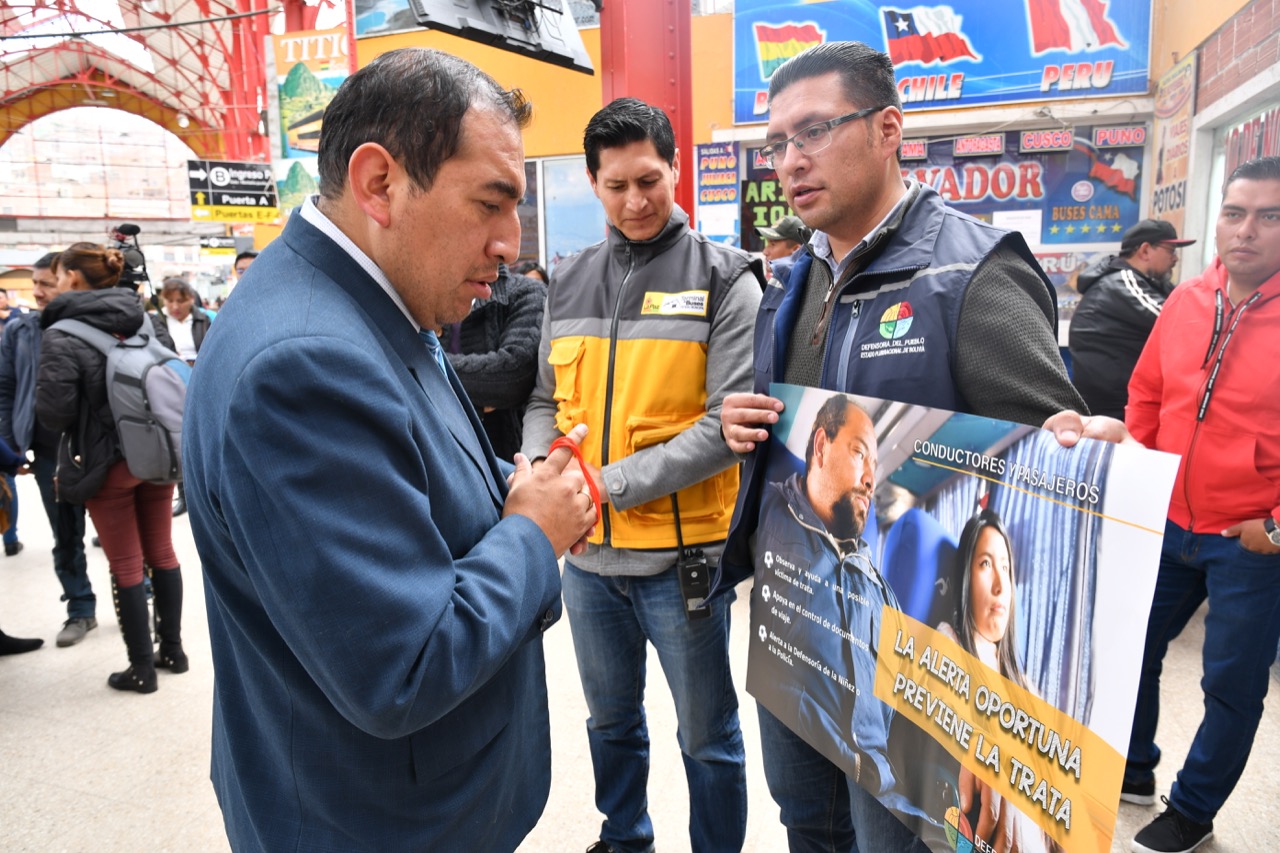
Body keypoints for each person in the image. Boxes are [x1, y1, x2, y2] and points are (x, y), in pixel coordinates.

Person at [183, 48, 596, 852]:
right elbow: (401, 665)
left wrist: (513, 507)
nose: (512, 243)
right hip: (378, 822)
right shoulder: (304, 363)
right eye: (491, 202)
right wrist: (533, 534)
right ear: (379, 183)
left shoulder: (374, 307)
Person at [714, 41, 1100, 852]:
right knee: (807, 825)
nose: (790, 160)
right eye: (777, 142)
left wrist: (1082, 449)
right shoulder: (795, 277)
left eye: (813, 131)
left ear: (890, 128)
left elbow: (1044, 464)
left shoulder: (971, 275)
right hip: (794, 614)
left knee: (887, 837)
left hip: (906, 653)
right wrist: (746, 422)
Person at [522, 97, 762, 853]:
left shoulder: (728, 279)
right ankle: (625, 836)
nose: (636, 200)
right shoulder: (568, 280)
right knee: (611, 721)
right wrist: (540, 464)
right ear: (593, 182)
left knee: (707, 735)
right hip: (588, 563)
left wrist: (603, 485)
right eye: (616, 183)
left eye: (650, 179)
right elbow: (541, 398)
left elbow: (728, 428)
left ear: (675, 167)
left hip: (682, 564)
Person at [1122, 156, 1280, 853]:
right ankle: (1130, 768)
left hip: (1250, 540)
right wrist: (1142, 474)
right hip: (1168, 521)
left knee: (1230, 685)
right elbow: (1147, 393)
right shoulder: (1186, 300)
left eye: (1269, 216)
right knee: (1129, 650)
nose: (1246, 230)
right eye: (1234, 212)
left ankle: (1193, 809)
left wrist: (1274, 526)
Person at [36, 244, 186, 694]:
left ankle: (140, 670)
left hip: (105, 465)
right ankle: (174, 652)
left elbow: (55, 413)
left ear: (75, 279)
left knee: (125, 564)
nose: (57, 284)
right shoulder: (145, 317)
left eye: (59, 276)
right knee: (162, 551)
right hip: (156, 453)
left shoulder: (62, 333)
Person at [938, 509, 1053, 853]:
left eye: (1006, 567)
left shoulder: (1019, 677)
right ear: (964, 578)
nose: (1001, 585)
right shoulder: (949, 642)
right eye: (986, 564)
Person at [0, 252, 94, 646]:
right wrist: (10, 444)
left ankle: (138, 593)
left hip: (97, 450)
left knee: (123, 535)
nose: (36, 291)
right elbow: (5, 389)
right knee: (65, 533)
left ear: (69, 280)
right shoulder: (19, 331)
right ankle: (79, 608)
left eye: (45, 283)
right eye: (34, 284)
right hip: (47, 453)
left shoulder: (94, 326)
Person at [1068, 219, 1195, 419]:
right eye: (1171, 250)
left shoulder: (1150, 284)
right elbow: (1175, 322)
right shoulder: (1120, 283)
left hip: (1126, 404)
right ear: (1144, 251)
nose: (1175, 259)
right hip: (1114, 411)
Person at [443, 262, 545, 461]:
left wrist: (432, 367)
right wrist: (481, 402)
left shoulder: (528, 292)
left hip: (509, 463)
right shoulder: (431, 296)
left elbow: (511, 378)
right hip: (442, 456)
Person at [156, 276, 213, 517]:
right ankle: (183, 492)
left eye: (180, 300)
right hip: (169, 383)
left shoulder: (205, 320)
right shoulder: (157, 321)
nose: (175, 306)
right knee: (176, 439)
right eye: (169, 301)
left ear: (191, 299)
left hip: (199, 380)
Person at [757, 214, 810, 283]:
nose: (765, 252)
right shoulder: (778, 282)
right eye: (767, 244)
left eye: (773, 244)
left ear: (796, 250)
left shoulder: (803, 287)